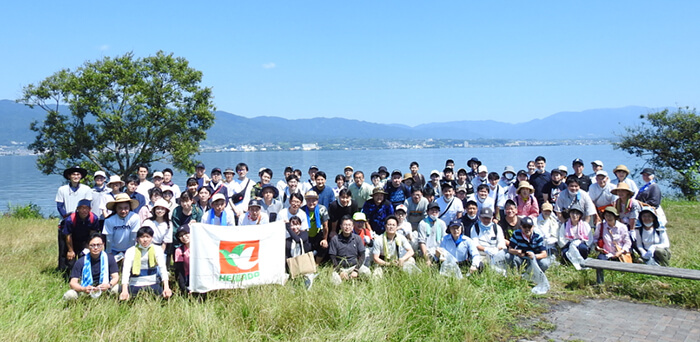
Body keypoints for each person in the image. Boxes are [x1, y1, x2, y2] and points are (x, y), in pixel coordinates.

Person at [119, 227, 172, 300]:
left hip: (152, 283)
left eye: (148, 237)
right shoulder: (131, 251)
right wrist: (124, 290)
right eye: (142, 237)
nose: (145, 240)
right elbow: (126, 271)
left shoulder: (157, 249)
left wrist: (166, 287)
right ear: (137, 239)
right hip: (135, 284)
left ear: (152, 238)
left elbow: (162, 268)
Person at [63, 233, 120, 300]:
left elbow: (116, 277)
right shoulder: (81, 261)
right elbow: (72, 283)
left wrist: (108, 285)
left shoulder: (109, 258)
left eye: (98, 245)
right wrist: (83, 289)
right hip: (86, 290)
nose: (95, 248)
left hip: (105, 289)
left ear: (103, 245)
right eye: (92, 245)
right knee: (70, 295)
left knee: (117, 288)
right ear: (88, 246)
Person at [61, 199, 101, 274]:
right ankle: (68, 275)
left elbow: (92, 234)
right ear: (77, 209)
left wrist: (87, 246)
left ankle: (85, 275)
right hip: (71, 239)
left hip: (85, 240)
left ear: (90, 209)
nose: (84, 210)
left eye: (86, 208)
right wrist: (70, 250)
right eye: (81, 208)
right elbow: (68, 235)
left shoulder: (93, 218)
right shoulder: (70, 219)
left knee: (85, 257)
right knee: (70, 259)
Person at [329, 216, 371, 284]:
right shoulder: (335, 239)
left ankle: (359, 284)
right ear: (341, 226)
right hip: (340, 268)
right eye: (345, 225)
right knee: (335, 281)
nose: (347, 227)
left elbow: (362, 255)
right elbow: (332, 257)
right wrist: (340, 271)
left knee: (367, 272)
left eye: (349, 225)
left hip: (354, 266)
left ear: (352, 227)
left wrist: (356, 270)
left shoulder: (357, 238)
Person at [301, 191, 330, 263]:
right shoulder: (302, 210)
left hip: (318, 233)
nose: (311, 203)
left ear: (317, 200)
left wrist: (325, 239)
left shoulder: (322, 209)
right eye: (309, 200)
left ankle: (317, 264)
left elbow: (325, 226)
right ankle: (308, 263)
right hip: (306, 234)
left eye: (313, 200)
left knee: (324, 246)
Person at [418, 202, 446, 266]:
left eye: (436, 210)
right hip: (427, 251)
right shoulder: (423, 223)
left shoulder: (442, 223)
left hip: (439, 250)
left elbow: (444, 239)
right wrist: (427, 258)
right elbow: (422, 242)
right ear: (427, 212)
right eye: (432, 210)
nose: (434, 212)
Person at [173, 225, 192, 294]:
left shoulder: (199, 247)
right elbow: (180, 269)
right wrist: (183, 286)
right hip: (188, 276)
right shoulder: (179, 250)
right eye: (181, 236)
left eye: (186, 233)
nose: (184, 237)